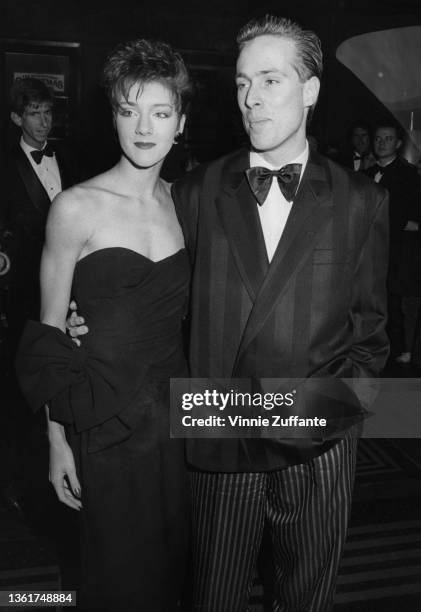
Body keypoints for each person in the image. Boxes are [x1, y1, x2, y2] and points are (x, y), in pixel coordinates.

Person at [172, 16, 389, 611]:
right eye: (243, 83)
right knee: (213, 595)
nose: (251, 99)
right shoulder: (195, 192)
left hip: (317, 442)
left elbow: (370, 331)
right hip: (221, 437)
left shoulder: (361, 199)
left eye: (270, 80)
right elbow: (169, 314)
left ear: (311, 90)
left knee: (304, 599)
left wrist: (339, 416)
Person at [16, 39, 191, 611]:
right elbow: (47, 334)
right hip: (105, 422)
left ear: (180, 123)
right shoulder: (75, 207)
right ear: (112, 116)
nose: (144, 128)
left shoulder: (185, 205)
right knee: (118, 577)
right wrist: (56, 440)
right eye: (128, 110)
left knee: (173, 572)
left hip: (177, 423)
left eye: (160, 112)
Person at [1, 78, 80, 521]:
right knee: (24, 391)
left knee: (62, 378)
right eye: (33, 112)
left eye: (48, 112)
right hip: (24, 293)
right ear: (16, 117)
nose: (43, 120)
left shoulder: (68, 157)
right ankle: (22, 484)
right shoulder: (5, 163)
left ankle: (67, 464)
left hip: (68, 287)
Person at [366, 122, 420, 363]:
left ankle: (400, 348)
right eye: (378, 138)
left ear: (398, 144)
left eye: (388, 139)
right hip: (368, 248)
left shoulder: (408, 174)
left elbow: (403, 215)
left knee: (394, 298)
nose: (381, 143)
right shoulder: (365, 174)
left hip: (397, 248)